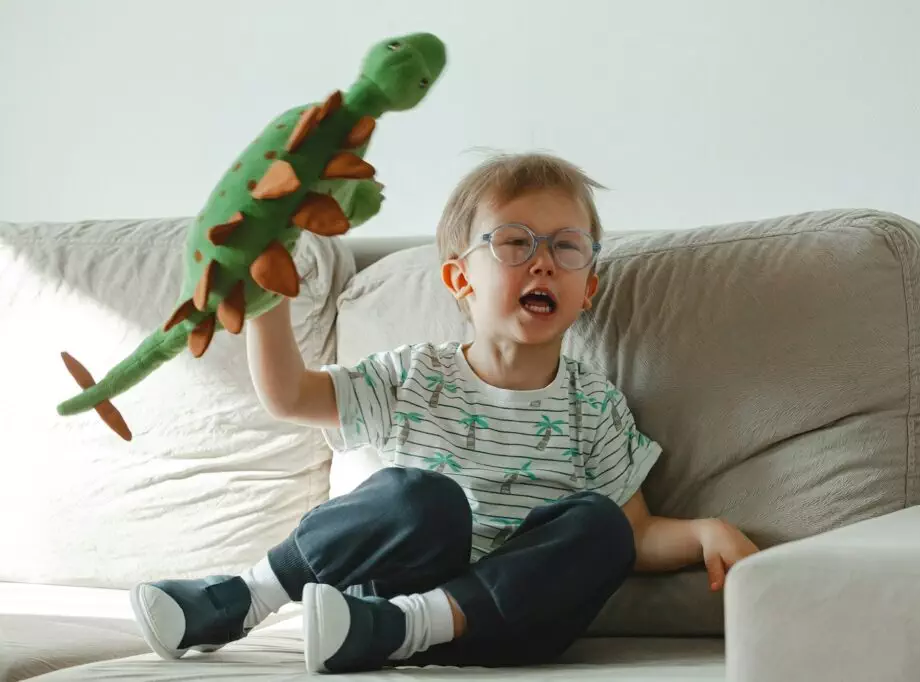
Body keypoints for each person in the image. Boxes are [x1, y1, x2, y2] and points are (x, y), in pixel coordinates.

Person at [130, 152, 760, 674]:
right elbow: (292, 396)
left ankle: (409, 628)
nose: (543, 261)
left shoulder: (592, 404)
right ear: (460, 280)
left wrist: (701, 531)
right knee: (420, 498)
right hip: (379, 602)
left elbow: (636, 533)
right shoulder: (414, 376)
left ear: (588, 287)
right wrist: (265, 303)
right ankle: (244, 597)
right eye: (515, 243)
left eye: (567, 248)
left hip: (510, 622)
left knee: (601, 526)